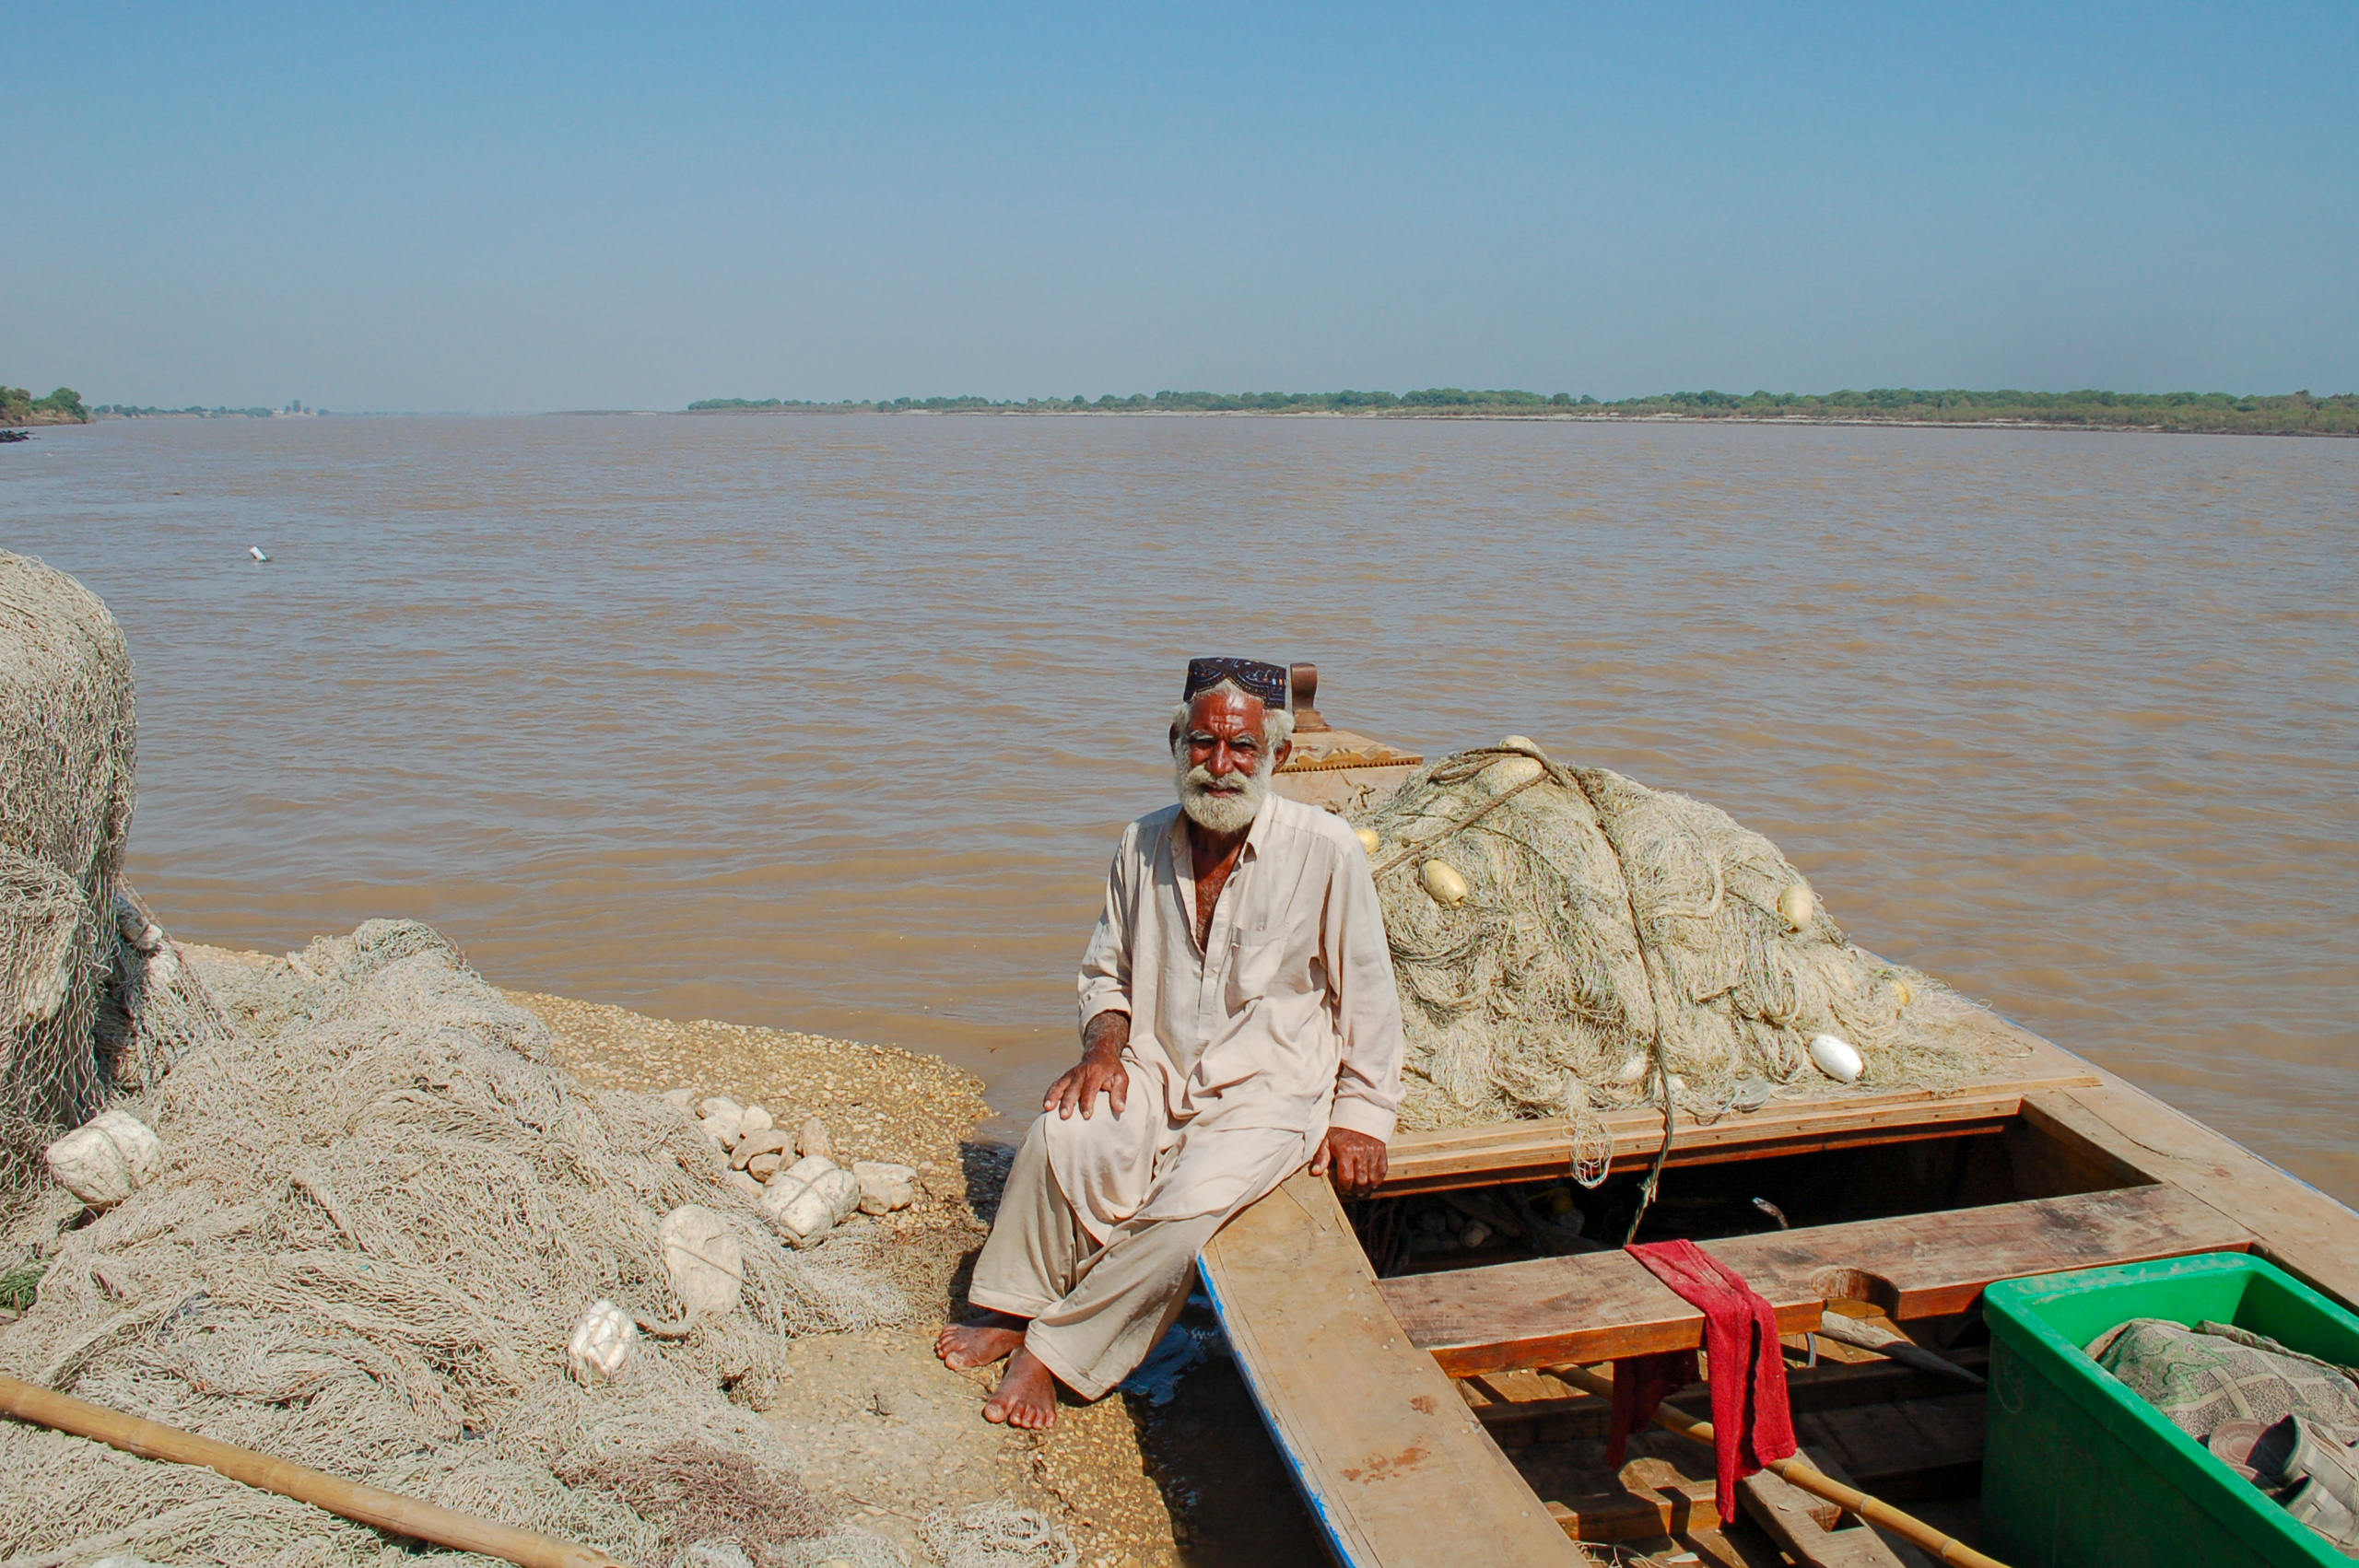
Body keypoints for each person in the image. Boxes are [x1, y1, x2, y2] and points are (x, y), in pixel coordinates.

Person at [935, 656, 1406, 1428]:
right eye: (1204, 745)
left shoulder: (1326, 851)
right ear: (1178, 743)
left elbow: (1370, 998)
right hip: (1153, 1070)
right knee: (1062, 1134)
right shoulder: (1140, 843)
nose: (1221, 767)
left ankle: (1054, 1354)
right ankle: (1009, 1305)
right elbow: (1105, 975)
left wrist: (1363, 1116)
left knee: (1183, 1219)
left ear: (1277, 757)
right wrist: (1103, 1050)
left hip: (1267, 1094)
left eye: (1242, 749)